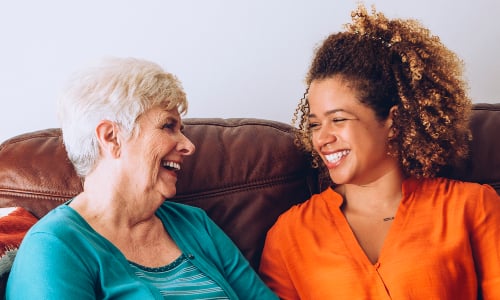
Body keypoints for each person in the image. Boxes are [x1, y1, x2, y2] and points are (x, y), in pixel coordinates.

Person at [259, 4, 500, 299]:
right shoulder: (290, 234)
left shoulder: (471, 207)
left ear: (393, 122)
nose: (322, 138)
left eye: (338, 119)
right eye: (314, 124)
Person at [6, 57, 278, 299]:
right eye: (168, 126)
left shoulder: (195, 225)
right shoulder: (55, 246)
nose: (188, 146)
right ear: (111, 138)